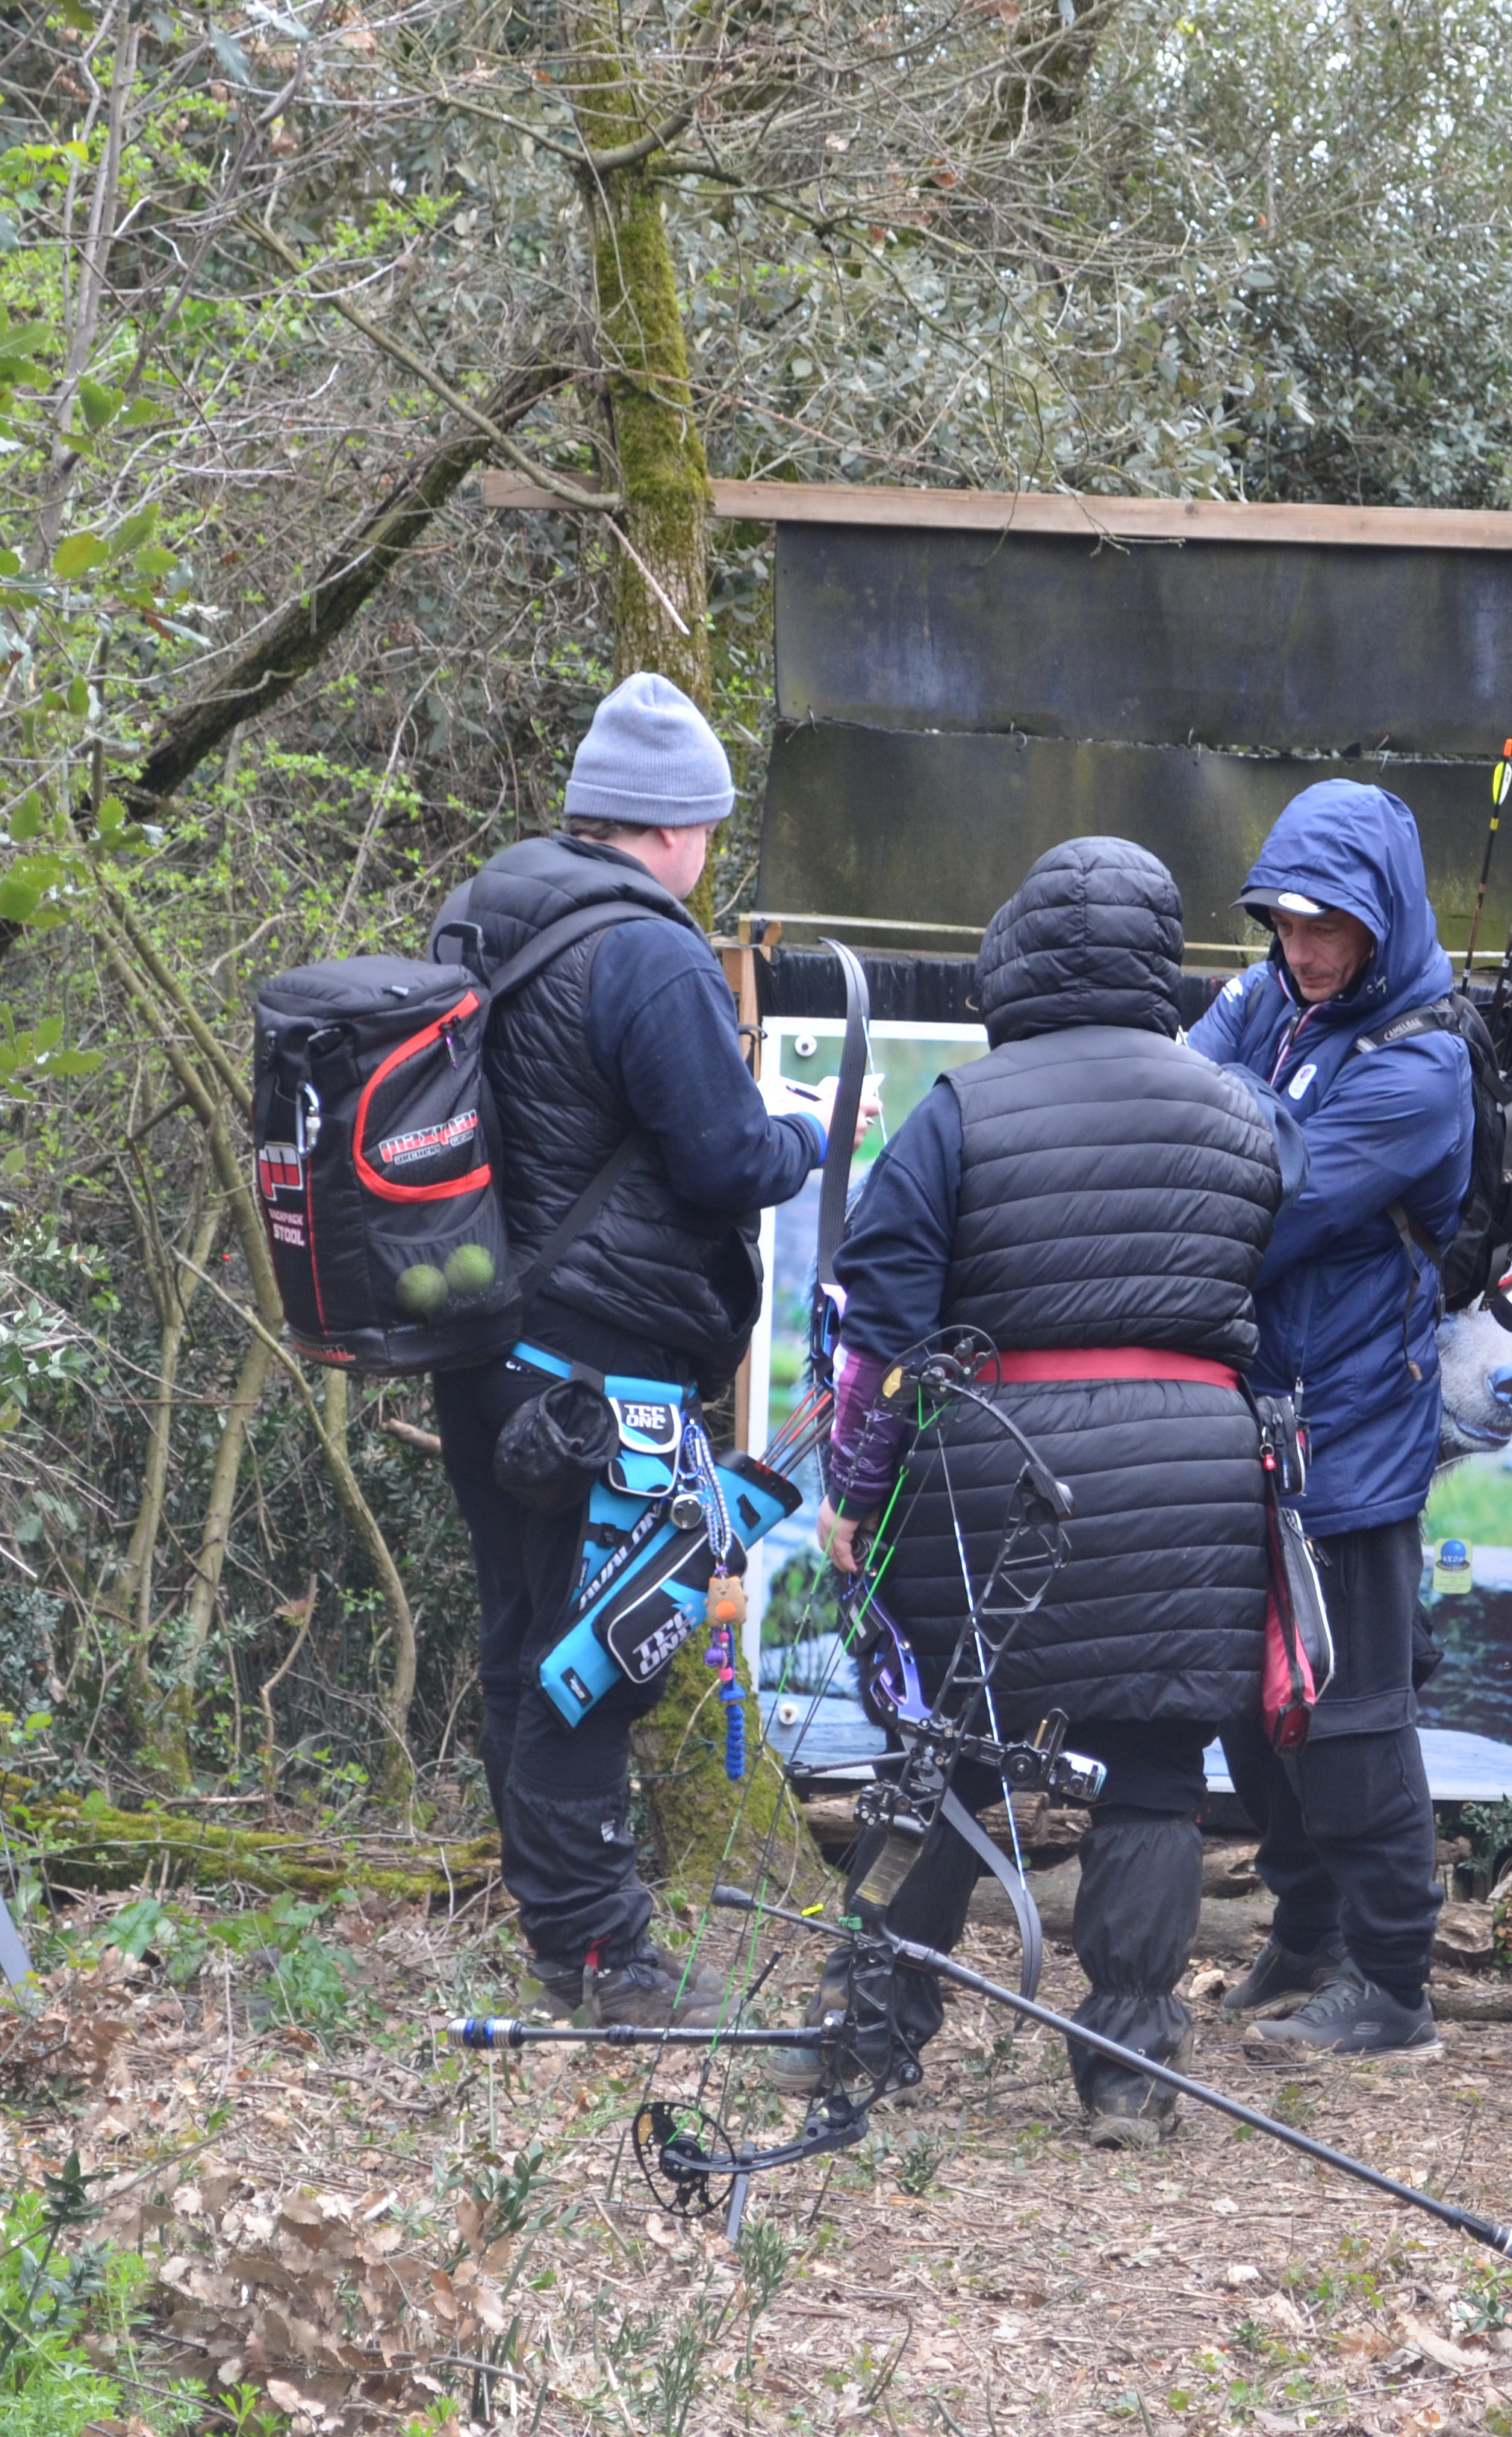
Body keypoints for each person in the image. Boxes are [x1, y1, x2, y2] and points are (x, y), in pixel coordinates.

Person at [802, 836, 1292, 2147]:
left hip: (994, 1474)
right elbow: (1270, 1309)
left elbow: (881, 1329)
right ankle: (1127, 2067)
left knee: (942, 1748)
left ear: (1015, 953)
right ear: (1162, 964)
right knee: (1154, 1766)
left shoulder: (961, 1106)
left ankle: (869, 2024)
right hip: (1191, 1476)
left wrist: (852, 1491)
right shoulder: (1243, 1112)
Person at [429, 672, 866, 2028]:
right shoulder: (651, 949)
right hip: (601, 1377)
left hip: (484, 1351)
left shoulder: (486, 913)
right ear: (675, 826)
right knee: (597, 1655)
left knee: (523, 1636)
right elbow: (726, 1156)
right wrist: (800, 1123)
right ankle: (605, 1960)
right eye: (707, 827)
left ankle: (558, 1932)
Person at [1184, 782, 1472, 2061]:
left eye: (1327, 927)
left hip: (1349, 1423)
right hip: (1243, 1408)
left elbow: (1263, 1198)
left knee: (1348, 1705)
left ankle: (1394, 1981)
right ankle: (1309, 1925)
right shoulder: (1266, 997)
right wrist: (1236, 1107)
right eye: (1285, 922)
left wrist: (1230, 1116)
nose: (1300, 950)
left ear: (1383, 917)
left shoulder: (1420, 1064)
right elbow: (1188, 1096)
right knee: (1249, 1703)